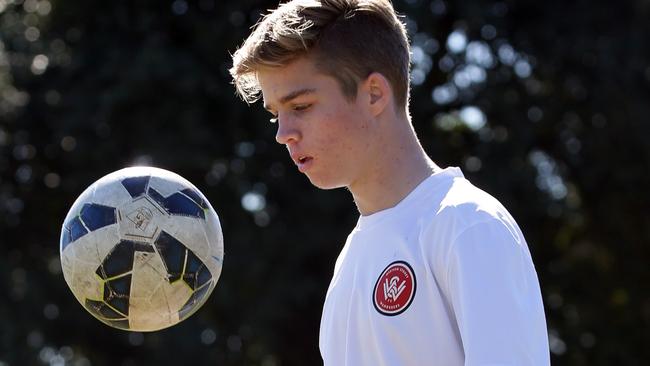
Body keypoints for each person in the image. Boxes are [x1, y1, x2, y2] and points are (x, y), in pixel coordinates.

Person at [229, 0, 550, 364]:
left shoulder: (468, 225)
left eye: (300, 106)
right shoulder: (350, 262)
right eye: (276, 116)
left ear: (374, 94)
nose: (283, 134)